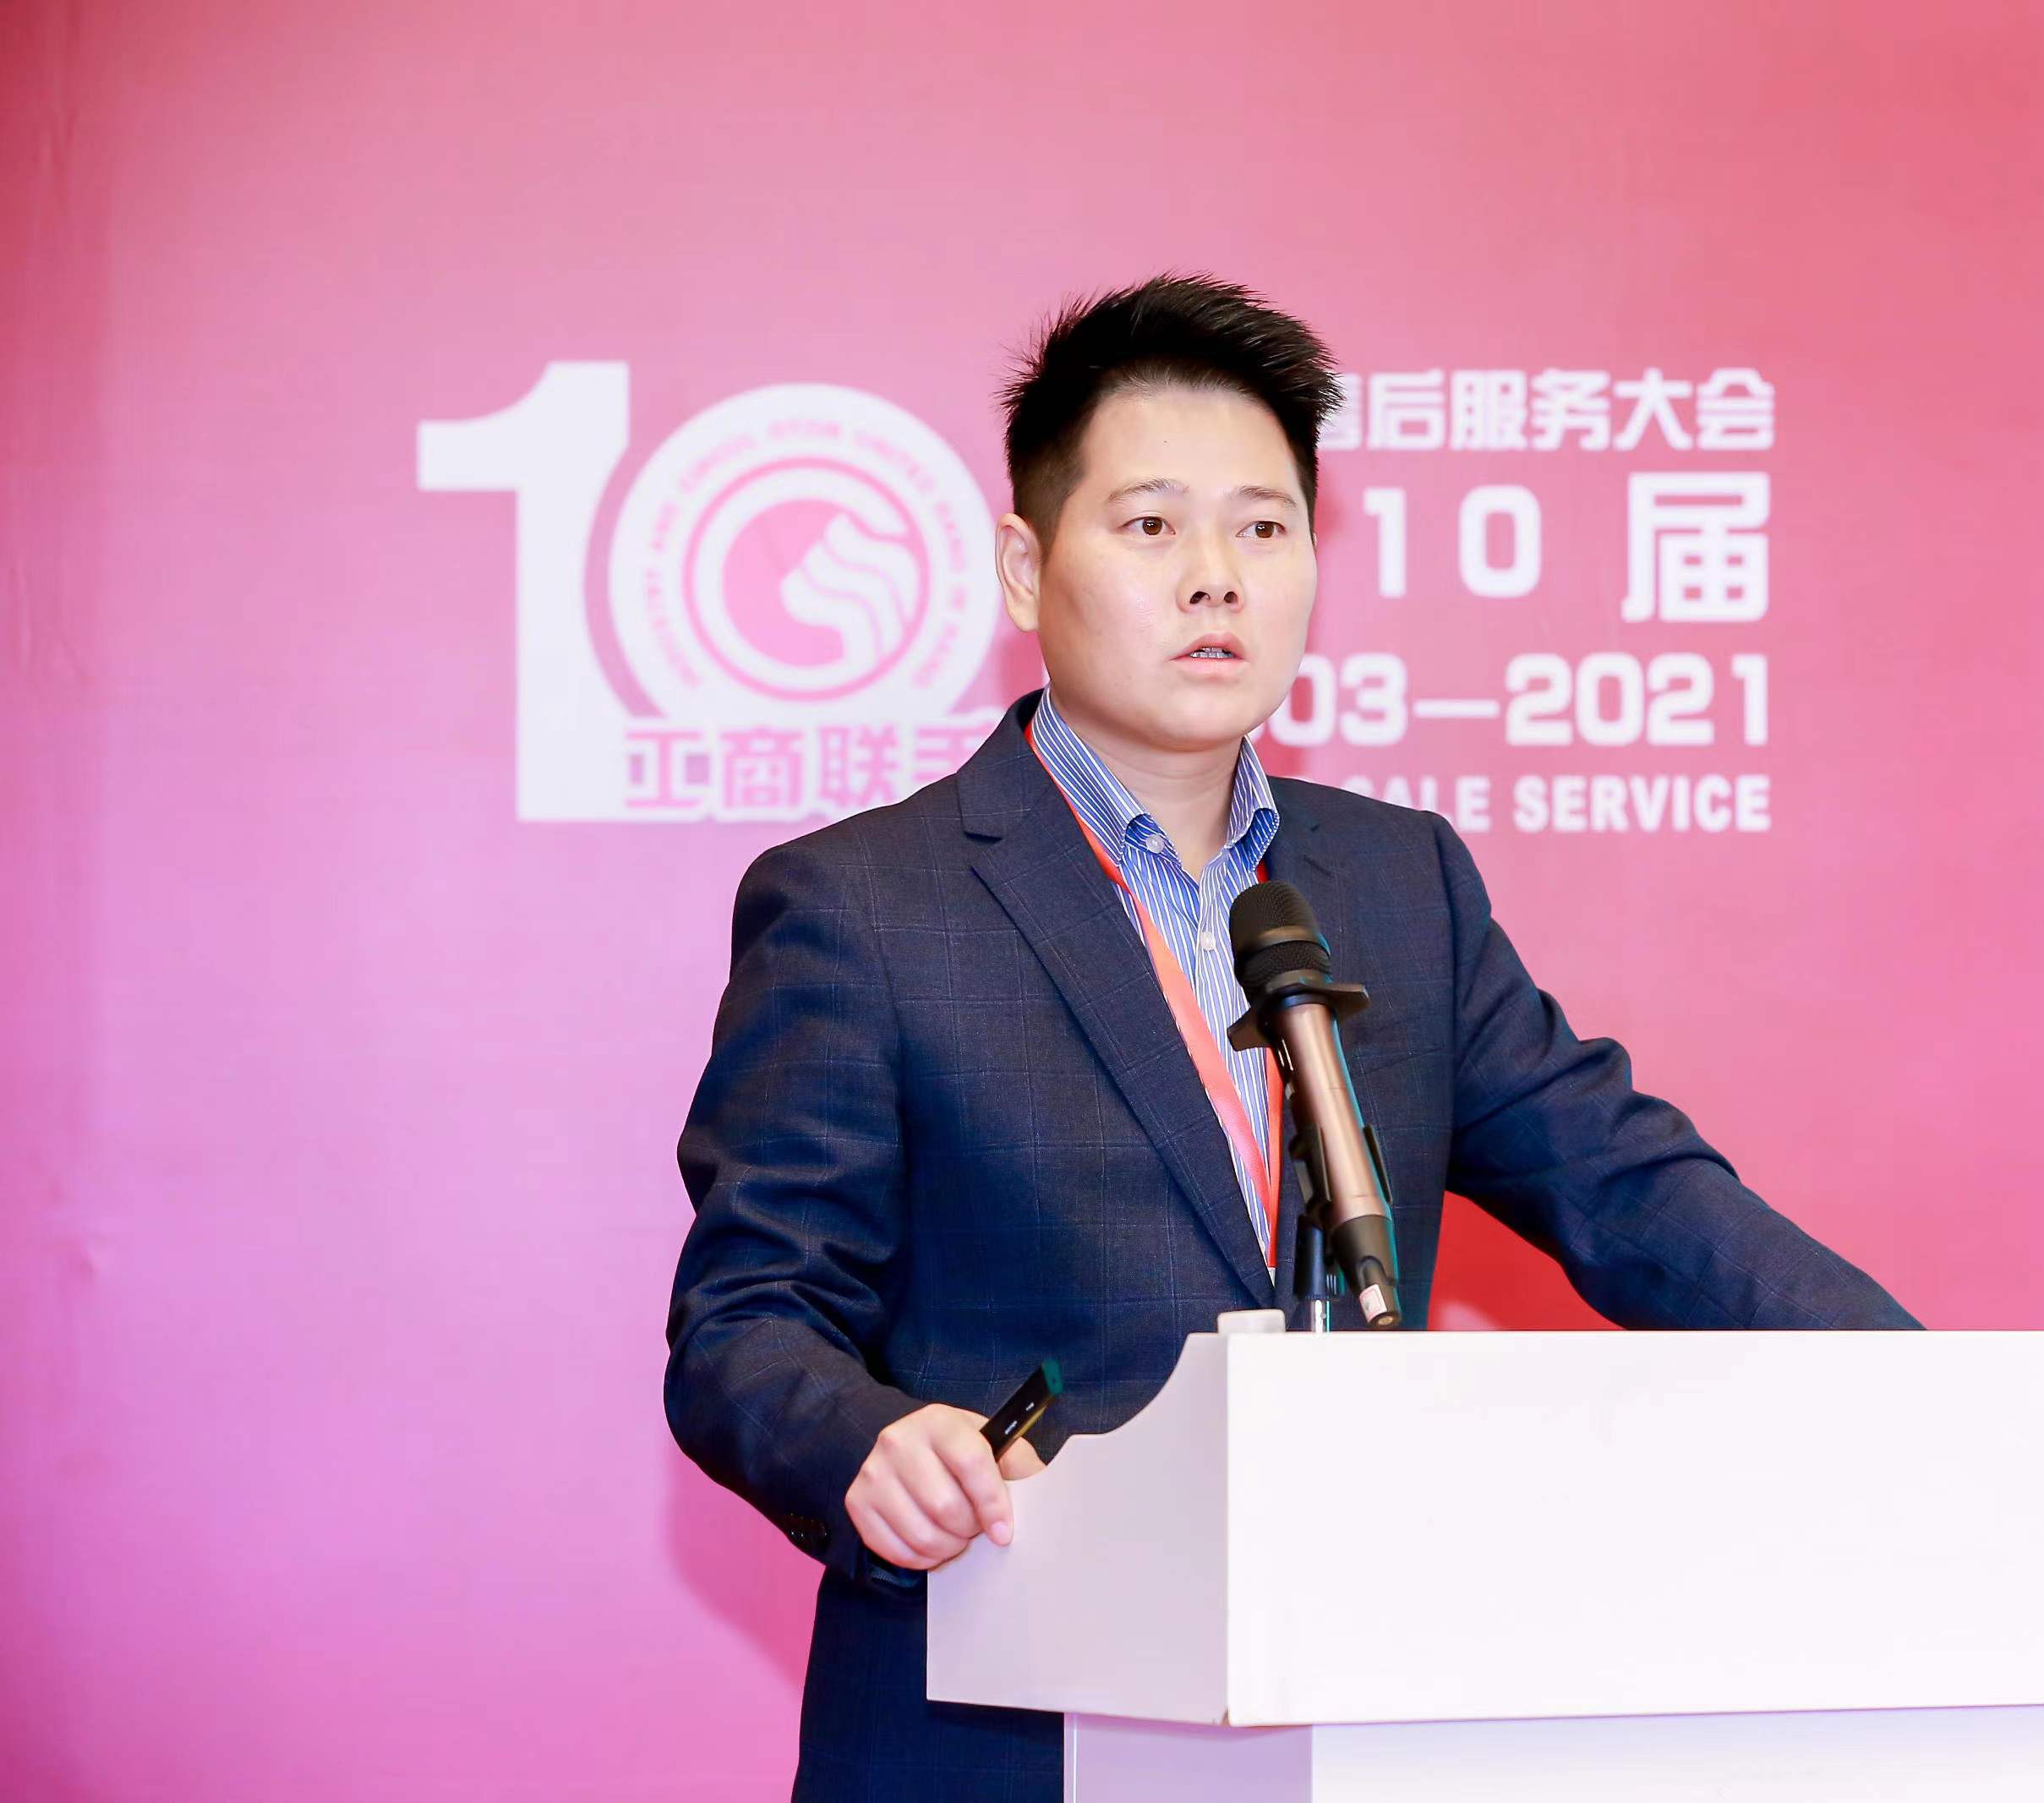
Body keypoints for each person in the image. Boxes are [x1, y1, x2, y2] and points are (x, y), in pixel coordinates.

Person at [664, 274, 1919, 1802]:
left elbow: (1626, 1185)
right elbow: (746, 1319)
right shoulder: (865, 904)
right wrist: (868, 1440)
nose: (1217, 579)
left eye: (1264, 528)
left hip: (1347, 1716)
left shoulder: (1395, 881)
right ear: (1025, 567)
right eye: (1151, 526)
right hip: (996, 1718)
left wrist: (1918, 1390)